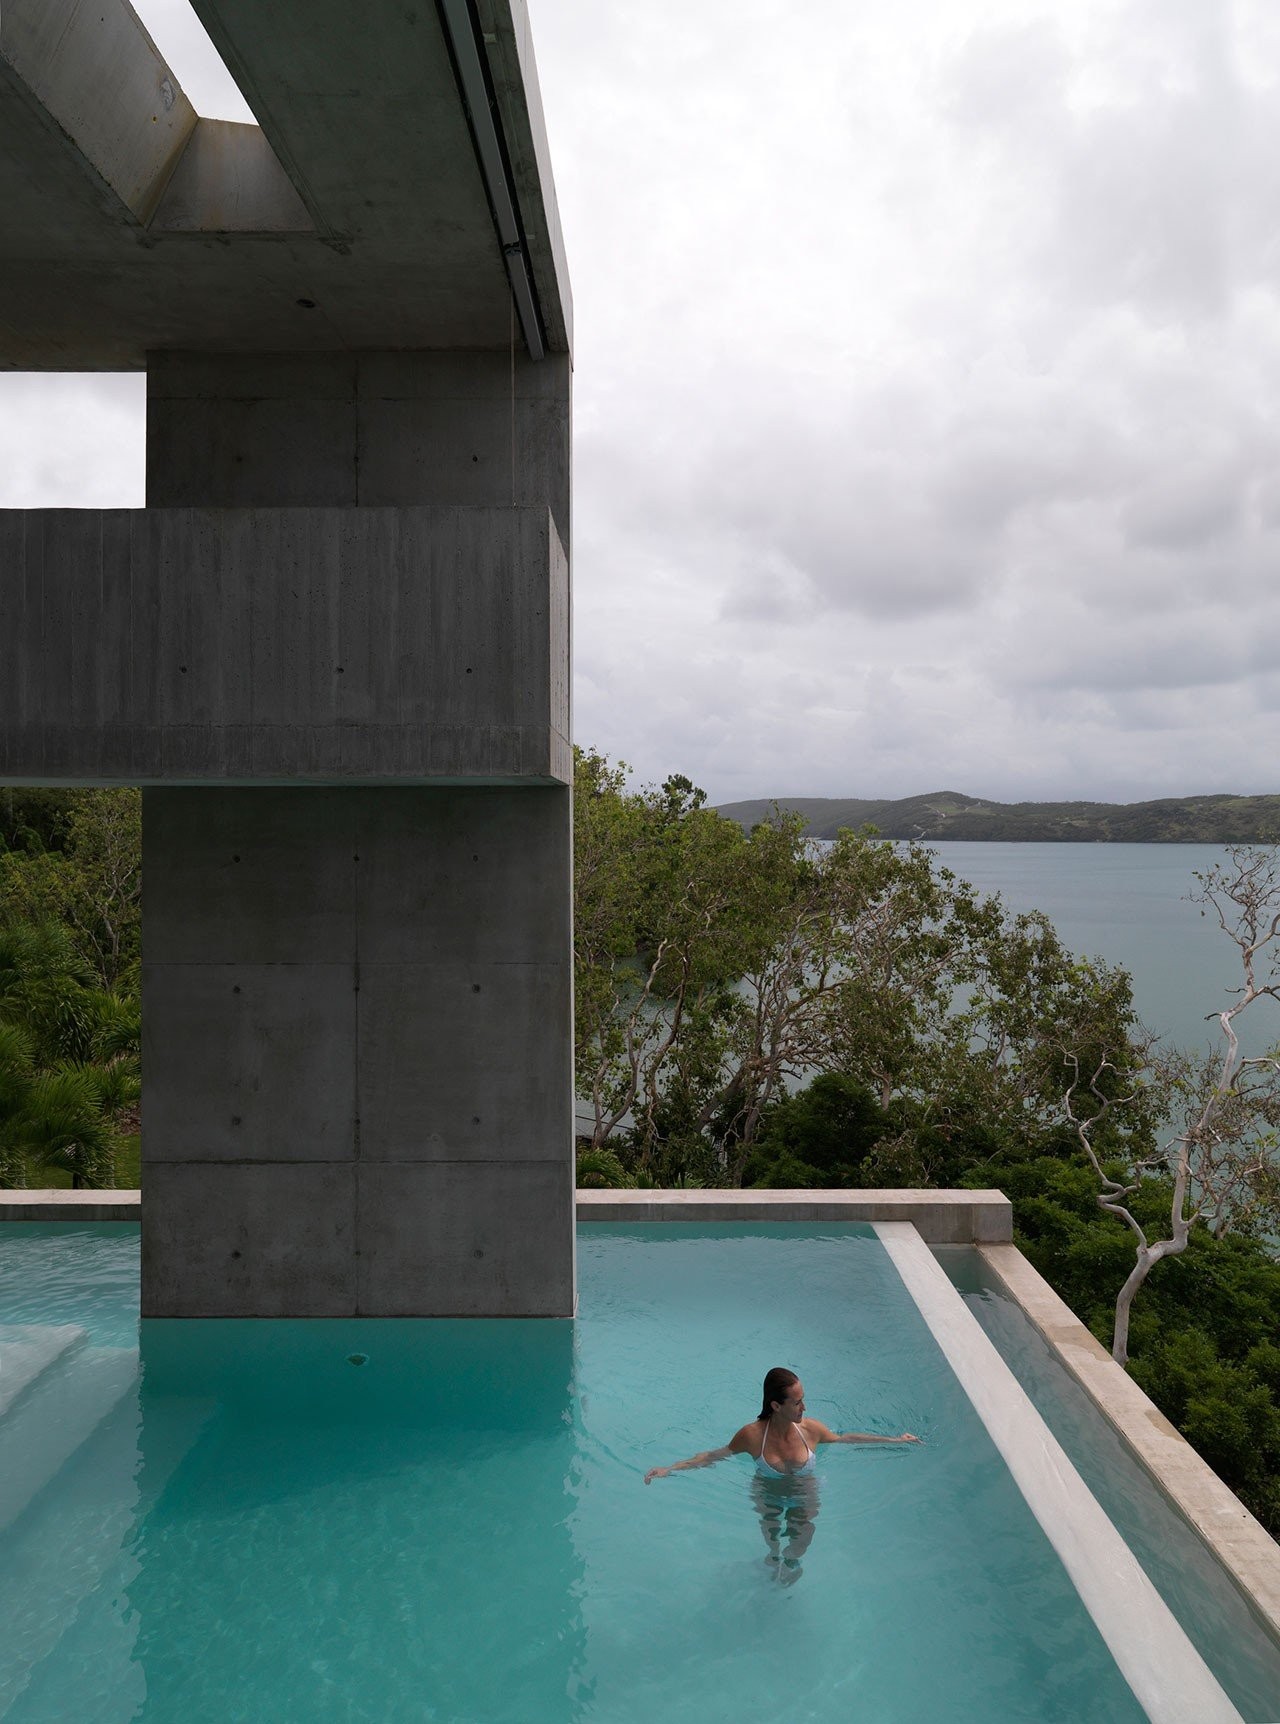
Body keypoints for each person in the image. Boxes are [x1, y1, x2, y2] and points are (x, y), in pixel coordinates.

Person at [643, 1366, 920, 1580]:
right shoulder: (752, 1436)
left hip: (804, 1490)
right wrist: (671, 1469)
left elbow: (846, 1439)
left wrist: (896, 1440)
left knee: (800, 1541)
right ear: (776, 1406)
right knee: (772, 1537)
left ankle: (791, 1562)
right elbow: (715, 1456)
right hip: (768, 1491)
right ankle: (774, 1558)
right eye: (797, 1402)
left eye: (803, 1400)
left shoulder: (810, 1429)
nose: (804, 1407)